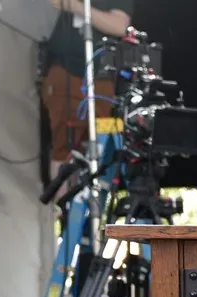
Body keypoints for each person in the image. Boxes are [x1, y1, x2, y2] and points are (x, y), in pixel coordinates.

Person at [40, 0, 134, 182]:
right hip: (64, 71)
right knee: (63, 147)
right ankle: (62, 207)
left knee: (101, 147)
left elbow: (118, 26)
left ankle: (91, 205)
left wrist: (78, 8)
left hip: (101, 78)